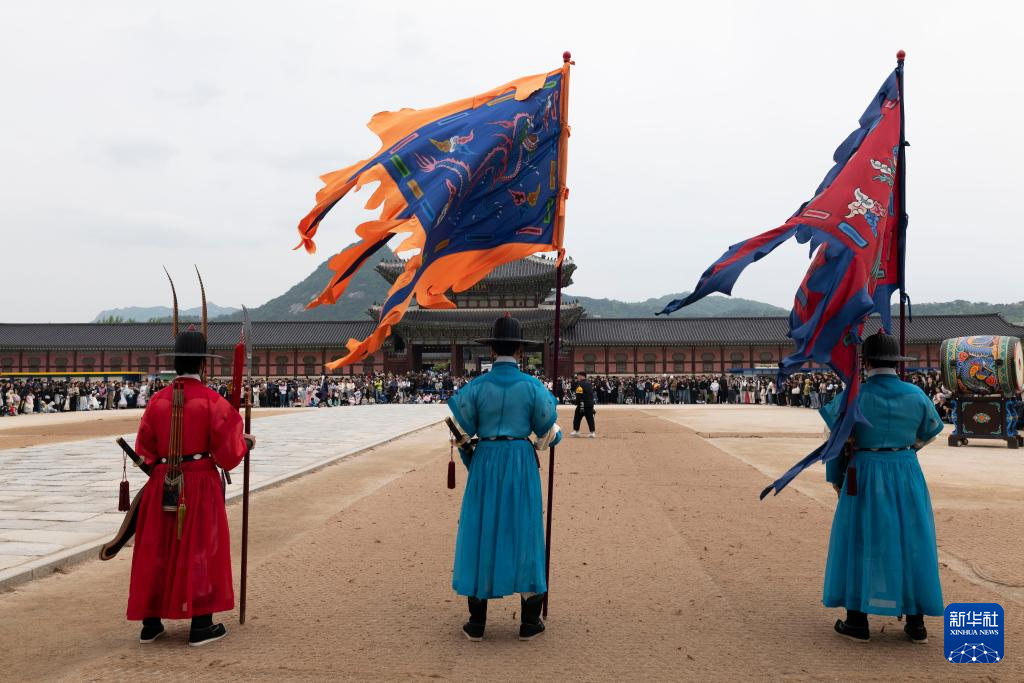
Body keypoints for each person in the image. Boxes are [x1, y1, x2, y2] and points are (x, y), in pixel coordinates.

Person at [126, 326, 254, 646]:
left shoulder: (157, 401)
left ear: (176, 362)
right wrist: (246, 443)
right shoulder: (212, 401)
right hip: (199, 482)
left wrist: (163, 469)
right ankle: (201, 624)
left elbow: (144, 449)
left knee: (157, 547)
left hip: (162, 481)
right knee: (201, 546)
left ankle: (150, 623)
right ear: (203, 363)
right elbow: (227, 455)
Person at [822, 331, 945, 644]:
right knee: (912, 537)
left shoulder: (854, 397)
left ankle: (857, 621)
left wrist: (836, 477)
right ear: (896, 362)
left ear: (866, 362)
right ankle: (916, 622)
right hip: (906, 470)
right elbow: (932, 430)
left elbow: (834, 443)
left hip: (864, 471)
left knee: (860, 538)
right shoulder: (916, 394)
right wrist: (906, 449)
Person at [447, 314, 561, 642]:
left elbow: (460, 433)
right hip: (520, 460)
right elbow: (548, 432)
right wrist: (555, 437)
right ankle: (529, 621)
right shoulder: (532, 386)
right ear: (520, 351)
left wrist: (473, 457)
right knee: (524, 528)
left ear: (493, 349)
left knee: (480, 527)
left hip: (485, 460)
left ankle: (476, 622)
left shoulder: (475, 387)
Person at [570, 371, 596, 437]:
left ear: (582, 376)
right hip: (589, 404)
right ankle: (592, 432)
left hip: (582, 403)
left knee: (577, 417)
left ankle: (576, 431)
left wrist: (576, 402)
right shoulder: (589, 383)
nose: (577, 377)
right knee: (590, 418)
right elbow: (591, 395)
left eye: (578, 376)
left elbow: (579, 394)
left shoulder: (580, 384)